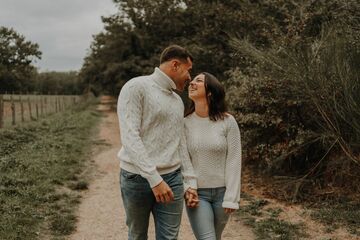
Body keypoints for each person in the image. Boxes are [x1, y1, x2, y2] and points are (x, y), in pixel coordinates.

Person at [117, 45, 198, 240]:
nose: (190, 77)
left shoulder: (177, 101)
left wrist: (190, 181)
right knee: (137, 235)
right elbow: (130, 137)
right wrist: (154, 179)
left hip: (172, 179)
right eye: (189, 70)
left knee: (169, 238)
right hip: (136, 178)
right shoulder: (136, 86)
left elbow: (180, 143)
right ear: (175, 65)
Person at [184, 72, 242, 240]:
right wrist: (189, 187)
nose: (192, 83)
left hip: (222, 194)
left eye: (198, 81)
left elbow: (234, 160)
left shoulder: (228, 121)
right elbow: (183, 160)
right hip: (197, 194)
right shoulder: (184, 123)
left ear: (210, 91)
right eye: (192, 81)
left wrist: (231, 197)